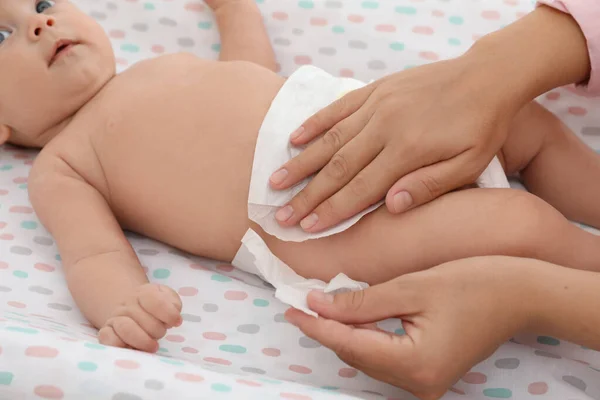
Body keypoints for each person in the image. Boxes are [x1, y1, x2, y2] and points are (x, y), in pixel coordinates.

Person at [275, 1, 600, 399]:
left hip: (371, 132)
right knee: (518, 225)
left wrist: (233, 14)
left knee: (521, 122)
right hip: (329, 225)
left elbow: (246, 65)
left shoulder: (183, 73)